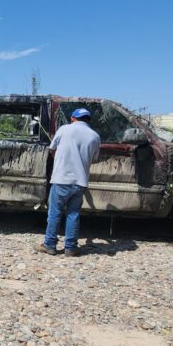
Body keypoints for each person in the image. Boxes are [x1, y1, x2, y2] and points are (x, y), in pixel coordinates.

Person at [37, 108, 100, 257]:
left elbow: (51, 149)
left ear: (72, 118)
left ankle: (50, 245)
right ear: (88, 120)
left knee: (54, 213)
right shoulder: (95, 136)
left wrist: (59, 157)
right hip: (80, 182)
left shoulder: (64, 129)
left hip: (61, 179)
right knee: (73, 215)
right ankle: (70, 248)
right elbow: (95, 158)